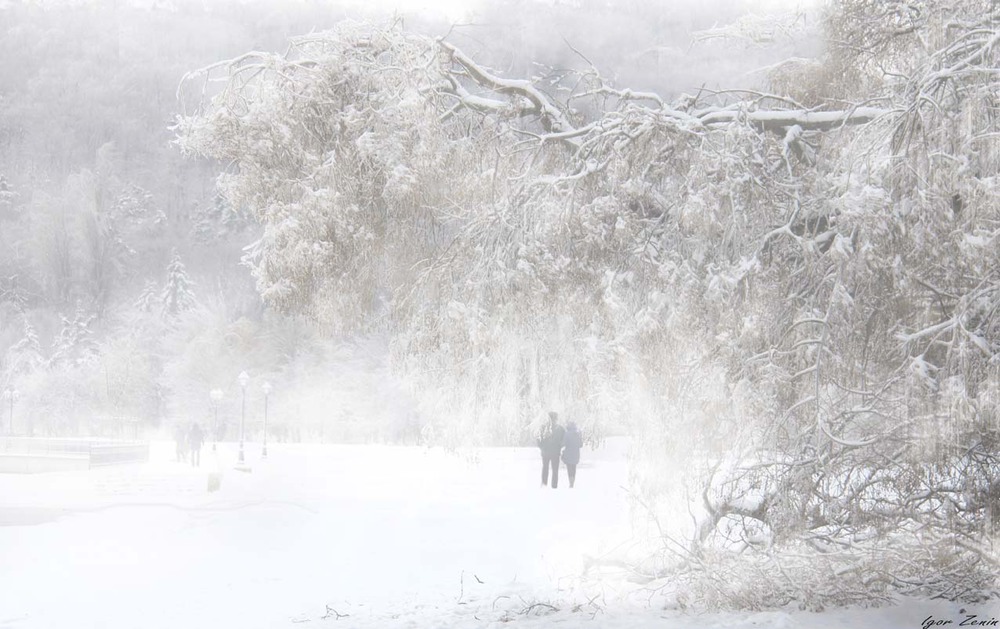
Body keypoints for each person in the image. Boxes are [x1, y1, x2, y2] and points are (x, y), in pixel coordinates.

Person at [537, 411, 565, 488]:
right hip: (555, 453)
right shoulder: (560, 429)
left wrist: (542, 447)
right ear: (556, 418)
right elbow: (564, 440)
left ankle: (544, 484)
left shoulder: (543, 427)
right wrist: (560, 446)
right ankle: (554, 486)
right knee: (555, 470)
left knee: (545, 468)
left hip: (545, 452)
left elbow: (538, 440)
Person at [561, 422, 583, 488]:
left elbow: (563, 443)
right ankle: (572, 482)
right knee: (574, 468)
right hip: (576, 454)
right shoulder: (577, 434)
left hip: (568, 454)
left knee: (569, 468)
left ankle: (571, 483)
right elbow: (580, 445)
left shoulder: (566, 434)